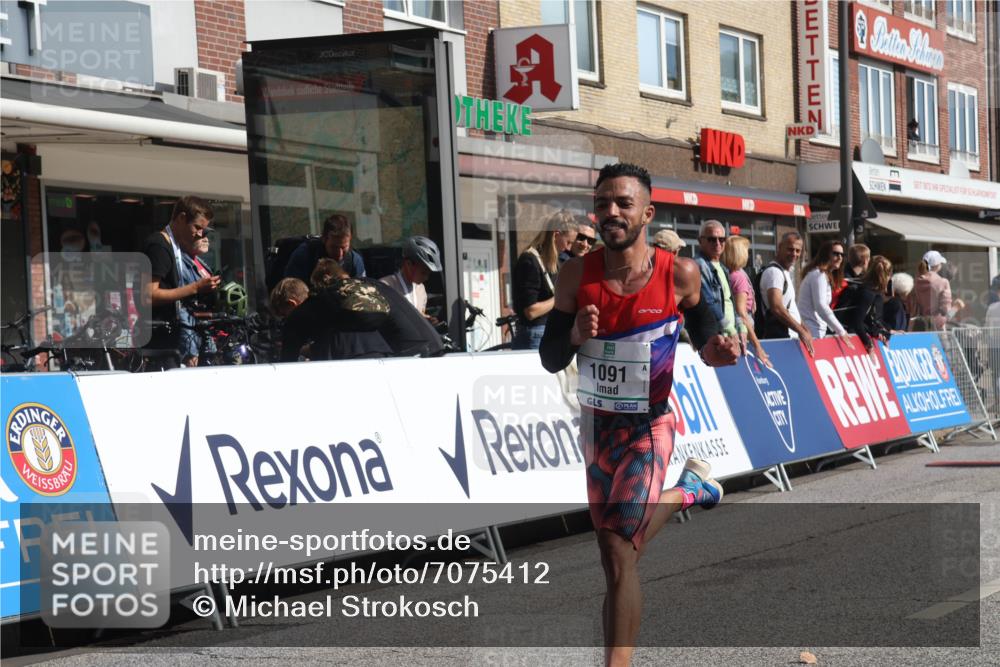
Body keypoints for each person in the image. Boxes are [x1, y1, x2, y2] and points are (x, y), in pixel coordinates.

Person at [539, 162, 739, 666]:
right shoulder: (574, 276)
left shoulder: (681, 274)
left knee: (616, 548)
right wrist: (577, 336)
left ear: (646, 212)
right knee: (616, 557)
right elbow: (549, 357)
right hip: (595, 429)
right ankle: (690, 491)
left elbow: (710, 340)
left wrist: (720, 351)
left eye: (623, 203)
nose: (611, 212)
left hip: (650, 426)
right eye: (603, 202)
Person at [143, 196, 221, 368]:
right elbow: (149, 295)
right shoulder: (160, 246)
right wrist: (196, 287)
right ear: (181, 218)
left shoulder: (174, 246)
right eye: (197, 227)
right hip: (159, 344)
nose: (200, 234)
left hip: (172, 339)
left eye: (204, 229)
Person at [512, 209, 578, 350]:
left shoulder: (552, 261)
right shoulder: (530, 261)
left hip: (545, 330)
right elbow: (531, 311)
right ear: (556, 234)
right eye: (568, 242)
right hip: (535, 333)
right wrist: (561, 297)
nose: (569, 248)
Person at [758, 231, 814, 355]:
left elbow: (789, 305)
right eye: (790, 249)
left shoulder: (784, 272)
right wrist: (800, 330)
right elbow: (776, 307)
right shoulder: (774, 273)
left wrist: (802, 326)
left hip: (789, 337)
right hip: (780, 339)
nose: (794, 254)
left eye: (798, 250)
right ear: (779, 247)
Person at [695, 220, 746, 346]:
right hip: (715, 337)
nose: (718, 243)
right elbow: (709, 301)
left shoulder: (722, 267)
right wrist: (730, 329)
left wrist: (740, 325)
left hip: (728, 333)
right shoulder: (699, 266)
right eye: (712, 239)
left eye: (722, 239)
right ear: (700, 241)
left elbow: (729, 300)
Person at [722, 235, 771, 366]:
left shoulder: (730, 273)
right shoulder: (738, 277)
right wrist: (758, 346)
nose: (748, 255)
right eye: (746, 251)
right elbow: (742, 313)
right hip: (743, 325)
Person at [797, 240, 853, 345]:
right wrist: (841, 331)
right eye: (836, 254)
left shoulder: (821, 274)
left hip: (815, 330)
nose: (840, 257)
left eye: (842, 254)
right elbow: (821, 306)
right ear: (826, 255)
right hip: (812, 332)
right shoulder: (818, 274)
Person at [283, 214, 366, 282]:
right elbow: (292, 290)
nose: (339, 254)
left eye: (344, 247)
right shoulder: (304, 255)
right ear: (324, 239)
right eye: (334, 247)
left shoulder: (354, 261)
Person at [379, 236, 443, 316]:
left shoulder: (421, 289)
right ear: (409, 264)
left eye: (428, 273)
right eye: (423, 273)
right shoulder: (386, 286)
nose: (426, 278)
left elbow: (421, 314)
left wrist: (427, 320)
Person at [846, 256, 893, 356]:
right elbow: (857, 322)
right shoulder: (868, 293)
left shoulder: (873, 292)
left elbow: (870, 320)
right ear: (887, 276)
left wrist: (885, 330)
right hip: (852, 339)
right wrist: (869, 344)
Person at [909, 250, 952, 331]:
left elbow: (913, 308)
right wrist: (957, 307)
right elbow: (946, 311)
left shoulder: (917, 282)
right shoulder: (943, 282)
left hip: (920, 326)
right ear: (938, 265)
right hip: (938, 328)